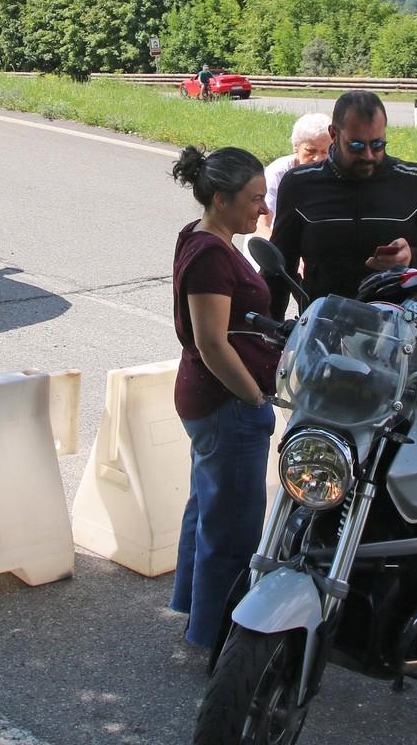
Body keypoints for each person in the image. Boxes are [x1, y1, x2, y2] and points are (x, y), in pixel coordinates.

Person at [168, 145, 279, 649]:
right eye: (254, 198)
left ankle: (195, 611)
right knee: (232, 527)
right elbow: (212, 342)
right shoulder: (212, 252)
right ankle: (217, 635)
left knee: (209, 507)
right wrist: (255, 398)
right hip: (225, 403)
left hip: (207, 399)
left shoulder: (201, 236)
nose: (261, 208)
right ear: (220, 198)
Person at [267, 90, 417, 315]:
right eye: (357, 146)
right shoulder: (299, 184)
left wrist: (412, 258)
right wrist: (267, 338)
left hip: (403, 336)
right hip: (325, 332)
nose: (369, 155)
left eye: (378, 144)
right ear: (333, 134)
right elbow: (279, 271)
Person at [255, 112, 332, 236]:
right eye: (311, 151)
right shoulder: (278, 173)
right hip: (271, 242)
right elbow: (261, 225)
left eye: (325, 152)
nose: (318, 158)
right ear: (296, 146)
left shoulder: (334, 172)